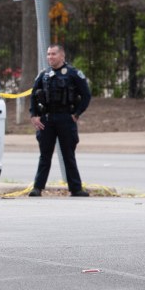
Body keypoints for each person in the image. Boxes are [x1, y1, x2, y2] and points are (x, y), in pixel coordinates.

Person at [28, 44, 91, 197]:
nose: (50, 57)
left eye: (53, 54)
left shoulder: (73, 73)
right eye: (48, 54)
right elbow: (34, 95)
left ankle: (75, 188)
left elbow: (86, 95)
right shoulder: (44, 74)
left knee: (68, 154)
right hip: (47, 119)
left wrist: (76, 114)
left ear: (62, 56)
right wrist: (34, 115)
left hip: (65, 118)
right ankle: (37, 188)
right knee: (45, 155)